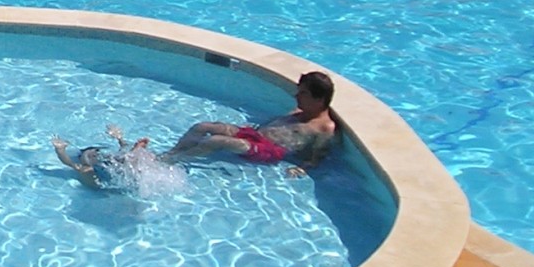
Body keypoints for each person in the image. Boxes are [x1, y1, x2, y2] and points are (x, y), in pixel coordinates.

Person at [162, 72, 339, 177]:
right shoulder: (299, 111)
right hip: (254, 135)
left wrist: (300, 169)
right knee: (203, 126)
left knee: (216, 141)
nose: (296, 96)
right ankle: (170, 153)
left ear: (319, 99)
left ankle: (171, 163)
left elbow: (316, 158)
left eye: (303, 93)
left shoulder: (325, 128)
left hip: (269, 150)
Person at [51, 125, 157, 190]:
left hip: (106, 178)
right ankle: (133, 158)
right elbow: (67, 161)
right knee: (85, 170)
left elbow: (122, 150)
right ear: (80, 158)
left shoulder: (104, 161)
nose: (93, 154)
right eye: (89, 155)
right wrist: (60, 150)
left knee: (120, 158)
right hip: (97, 183)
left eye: (95, 153)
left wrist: (120, 138)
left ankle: (133, 156)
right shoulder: (83, 166)